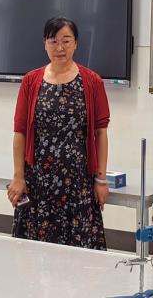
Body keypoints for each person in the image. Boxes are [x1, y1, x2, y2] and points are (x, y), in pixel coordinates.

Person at [7, 17, 111, 250]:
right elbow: (20, 132)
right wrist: (18, 176)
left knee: (79, 252)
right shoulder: (31, 81)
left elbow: (100, 133)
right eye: (53, 41)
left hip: (78, 182)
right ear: (45, 43)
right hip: (38, 181)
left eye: (66, 40)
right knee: (35, 252)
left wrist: (101, 179)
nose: (60, 47)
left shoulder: (92, 81)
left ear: (76, 43)